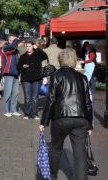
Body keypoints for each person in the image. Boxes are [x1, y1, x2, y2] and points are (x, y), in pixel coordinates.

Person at [40, 48, 93, 180]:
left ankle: (52, 175)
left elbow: (51, 99)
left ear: (61, 60)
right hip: (81, 118)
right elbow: (88, 103)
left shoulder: (56, 76)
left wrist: (44, 121)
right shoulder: (83, 78)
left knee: (56, 148)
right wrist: (90, 124)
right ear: (74, 60)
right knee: (80, 153)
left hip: (61, 117)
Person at [17, 41, 48, 119]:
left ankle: (34, 113)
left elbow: (45, 56)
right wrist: (22, 66)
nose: (28, 48)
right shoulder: (23, 56)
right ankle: (27, 113)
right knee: (27, 97)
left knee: (35, 97)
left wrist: (37, 48)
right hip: (26, 78)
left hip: (36, 78)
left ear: (33, 46)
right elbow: (18, 66)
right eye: (27, 46)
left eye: (30, 46)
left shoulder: (37, 54)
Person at [2, 35, 20, 117]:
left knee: (15, 93)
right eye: (11, 40)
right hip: (8, 72)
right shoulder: (6, 48)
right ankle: (6, 110)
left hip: (16, 73)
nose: (14, 41)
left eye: (14, 40)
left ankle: (13, 110)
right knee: (7, 93)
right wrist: (16, 39)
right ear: (8, 41)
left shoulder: (16, 49)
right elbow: (12, 46)